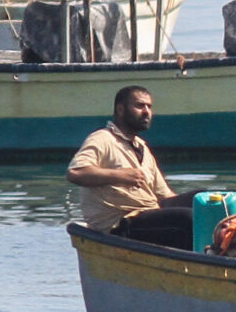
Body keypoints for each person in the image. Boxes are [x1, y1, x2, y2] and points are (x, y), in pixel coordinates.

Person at [67, 85, 195, 247]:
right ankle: (204, 261)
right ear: (120, 109)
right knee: (187, 220)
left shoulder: (142, 147)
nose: (147, 111)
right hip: (120, 223)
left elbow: (165, 195)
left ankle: (228, 251)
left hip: (149, 213)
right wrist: (120, 175)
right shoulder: (102, 139)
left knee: (206, 201)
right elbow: (75, 173)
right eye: (140, 106)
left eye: (149, 106)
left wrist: (194, 204)